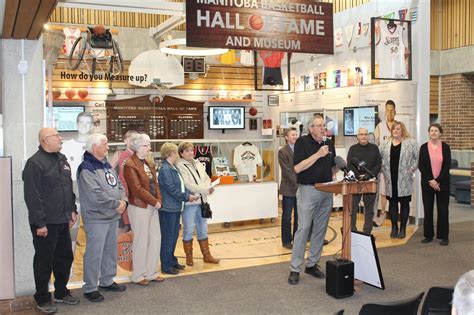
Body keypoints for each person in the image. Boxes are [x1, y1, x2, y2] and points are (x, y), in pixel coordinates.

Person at [22, 128, 80, 313]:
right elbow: (32, 196)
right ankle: (42, 298)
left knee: (64, 257)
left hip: (62, 219)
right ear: (46, 140)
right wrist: (40, 223)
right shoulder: (34, 163)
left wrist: (72, 210)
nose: (60, 138)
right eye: (57, 136)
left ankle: (61, 292)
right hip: (45, 223)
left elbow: (67, 187)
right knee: (44, 261)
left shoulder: (62, 159)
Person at [77, 133, 127, 302]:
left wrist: (123, 202)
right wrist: (117, 204)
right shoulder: (86, 168)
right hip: (96, 218)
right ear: (94, 147)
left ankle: (106, 280)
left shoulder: (106, 165)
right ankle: (90, 287)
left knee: (110, 251)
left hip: (112, 216)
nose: (108, 147)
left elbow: (119, 184)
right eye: (105, 144)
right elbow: (95, 195)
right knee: (94, 254)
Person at [288, 116, 336, 285]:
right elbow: (297, 168)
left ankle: (312, 264)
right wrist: (317, 155)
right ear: (311, 128)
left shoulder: (329, 143)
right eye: (319, 126)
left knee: (320, 229)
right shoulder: (302, 142)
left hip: (326, 190)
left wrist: (334, 176)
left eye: (324, 125)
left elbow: (332, 165)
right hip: (308, 190)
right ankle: (295, 268)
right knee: (303, 228)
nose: (323, 128)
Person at [123, 133, 165, 285]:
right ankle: (138, 275)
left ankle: (152, 272)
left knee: (155, 238)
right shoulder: (129, 164)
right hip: (140, 206)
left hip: (153, 205)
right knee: (141, 240)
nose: (148, 148)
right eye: (145, 145)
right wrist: (155, 202)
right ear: (136, 146)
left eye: (148, 145)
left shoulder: (148, 163)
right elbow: (137, 189)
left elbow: (156, 183)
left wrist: (158, 200)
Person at [176, 142, 220, 266]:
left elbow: (206, 177)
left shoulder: (198, 163)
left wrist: (209, 187)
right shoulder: (180, 165)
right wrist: (205, 189)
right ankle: (189, 257)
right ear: (181, 153)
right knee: (188, 229)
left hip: (202, 201)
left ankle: (207, 255)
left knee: (203, 229)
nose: (190, 153)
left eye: (191, 150)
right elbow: (187, 184)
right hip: (190, 202)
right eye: (187, 151)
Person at [158, 142, 199, 275]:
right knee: (168, 237)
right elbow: (172, 189)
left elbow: (179, 186)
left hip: (175, 208)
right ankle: (166, 265)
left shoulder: (172, 167)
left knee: (174, 236)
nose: (177, 155)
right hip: (168, 209)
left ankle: (172, 260)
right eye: (176, 152)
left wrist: (188, 195)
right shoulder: (165, 169)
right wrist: (187, 197)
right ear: (170, 154)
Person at [379, 121, 418, 239]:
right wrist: (383, 170)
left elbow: (417, 158)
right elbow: (379, 159)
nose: (395, 131)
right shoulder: (385, 144)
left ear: (402, 130)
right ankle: (394, 227)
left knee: (404, 203)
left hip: (404, 179)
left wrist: (411, 170)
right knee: (392, 203)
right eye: (393, 129)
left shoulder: (411, 143)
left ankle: (403, 229)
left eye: (398, 129)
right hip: (390, 179)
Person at [418, 123, 451, 246]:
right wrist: (431, 180)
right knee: (428, 209)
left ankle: (444, 236)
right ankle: (428, 235)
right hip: (427, 184)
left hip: (442, 184)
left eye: (436, 131)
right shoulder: (423, 147)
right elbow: (421, 166)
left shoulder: (446, 147)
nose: (433, 133)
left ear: (440, 133)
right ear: (429, 133)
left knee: (443, 210)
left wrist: (437, 181)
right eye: (431, 130)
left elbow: (447, 166)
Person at [347, 127, 382, 235]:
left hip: (370, 181)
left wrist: (369, 174)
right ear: (357, 136)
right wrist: (358, 176)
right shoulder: (352, 148)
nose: (363, 136)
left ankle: (367, 233)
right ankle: (353, 231)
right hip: (355, 182)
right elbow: (349, 164)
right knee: (352, 208)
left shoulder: (374, 148)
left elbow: (378, 164)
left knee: (369, 209)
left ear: (368, 136)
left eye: (365, 134)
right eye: (361, 134)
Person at [109, 130, 139, 233]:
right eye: (132, 139)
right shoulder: (119, 154)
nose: (134, 142)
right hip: (123, 196)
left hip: (137, 196)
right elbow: (109, 174)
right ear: (125, 141)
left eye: (136, 140)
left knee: (136, 229)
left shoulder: (140, 155)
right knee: (124, 229)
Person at [373, 100, 397, 226]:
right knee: (383, 191)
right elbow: (375, 145)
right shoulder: (380, 127)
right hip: (384, 165)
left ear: (395, 111)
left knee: (395, 191)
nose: (390, 113)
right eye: (387, 110)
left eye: (392, 110)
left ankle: (394, 216)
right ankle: (383, 212)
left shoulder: (399, 126)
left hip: (397, 165)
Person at [278, 127, 299, 249]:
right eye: (292, 135)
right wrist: (298, 183)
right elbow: (287, 171)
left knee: (299, 215)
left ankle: (297, 239)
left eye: (296, 134)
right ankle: (286, 240)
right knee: (287, 215)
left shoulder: (300, 149)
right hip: (289, 188)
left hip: (300, 187)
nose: (295, 136)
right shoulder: (283, 152)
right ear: (286, 137)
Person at [61, 112, 94, 181]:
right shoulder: (66, 146)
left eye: (87, 123)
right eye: (81, 122)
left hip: (92, 186)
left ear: (92, 126)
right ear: (76, 124)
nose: (84, 126)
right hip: (72, 186)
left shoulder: (97, 145)